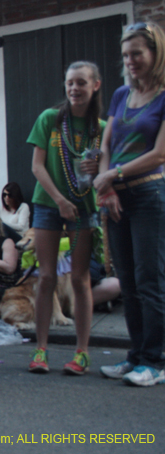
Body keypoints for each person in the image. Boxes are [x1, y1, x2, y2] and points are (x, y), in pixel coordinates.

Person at [94, 22, 165, 387]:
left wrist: (111, 176)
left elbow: (159, 154)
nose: (131, 60)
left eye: (137, 53)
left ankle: (155, 361)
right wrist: (106, 188)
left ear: (155, 53)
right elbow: (106, 145)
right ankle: (135, 355)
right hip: (116, 196)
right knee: (128, 281)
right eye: (126, 55)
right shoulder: (121, 95)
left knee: (150, 280)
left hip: (150, 195)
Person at [27, 61, 105, 375]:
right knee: (46, 277)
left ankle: (82, 353)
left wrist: (96, 169)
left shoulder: (101, 128)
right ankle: (41, 350)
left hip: (85, 206)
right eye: (70, 83)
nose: (74, 89)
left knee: (79, 279)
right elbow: (37, 166)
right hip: (48, 204)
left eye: (81, 83)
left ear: (95, 85)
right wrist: (59, 200)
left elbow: (106, 168)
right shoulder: (50, 118)